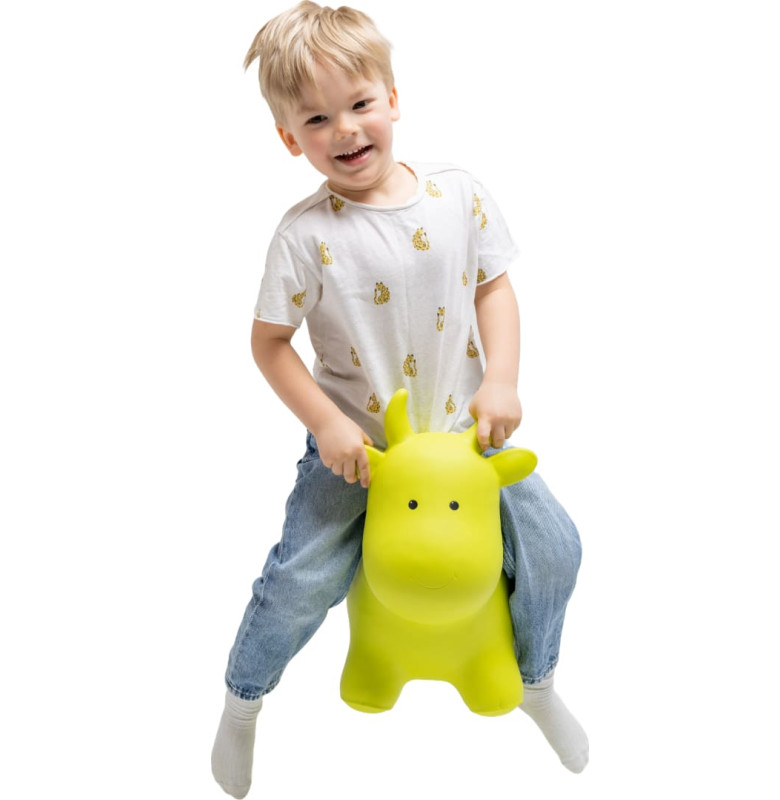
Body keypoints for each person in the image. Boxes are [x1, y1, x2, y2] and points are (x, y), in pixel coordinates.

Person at [211, 3, 587, 796]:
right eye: (317, 119)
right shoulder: (304, 235)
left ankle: (536, 679)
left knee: (554, 546)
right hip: (361, 451)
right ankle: (244, 701)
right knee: (300, 578)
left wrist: (502, 378)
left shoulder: (458, 193)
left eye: (359, 104)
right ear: (290, 138)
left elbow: (494, 286)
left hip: (465, 440)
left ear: (392, 97)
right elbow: (268, 343)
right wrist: (327, 425)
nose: (345, 130)